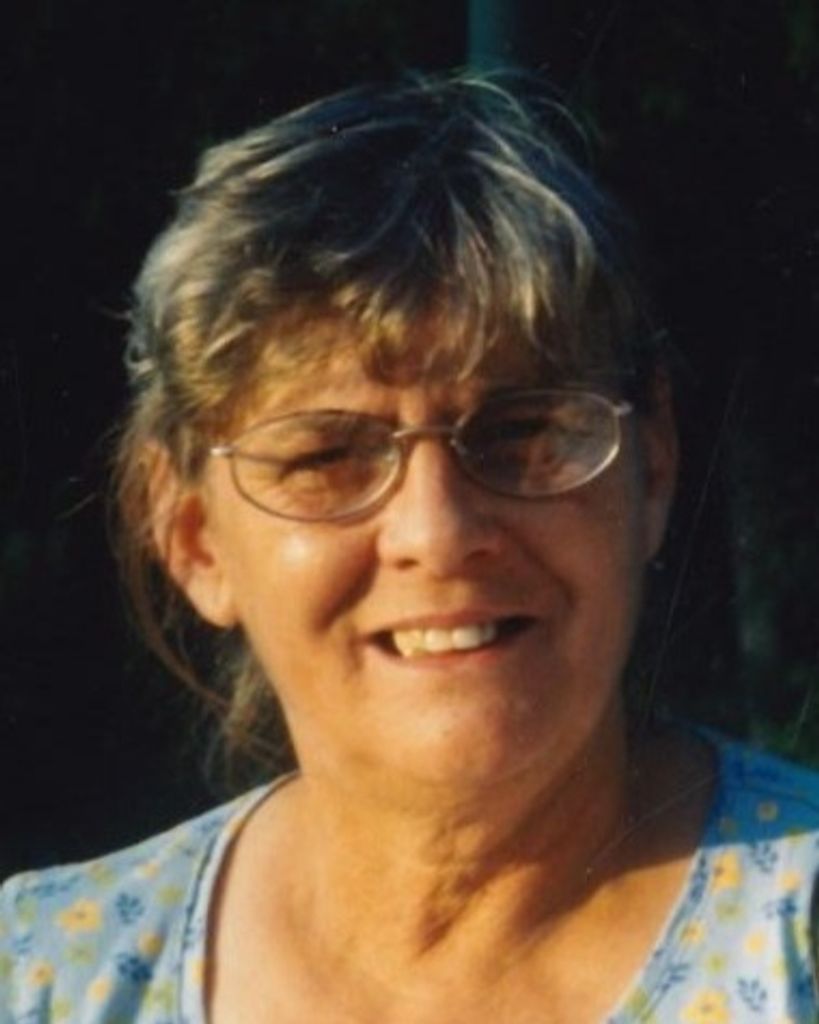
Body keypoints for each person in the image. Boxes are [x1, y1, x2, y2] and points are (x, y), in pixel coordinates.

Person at [2, 71, 818, 1024]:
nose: (438, 534)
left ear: (652, 470)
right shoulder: (40, 977)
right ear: (195, 541)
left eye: (522, 432)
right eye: (326, 456)